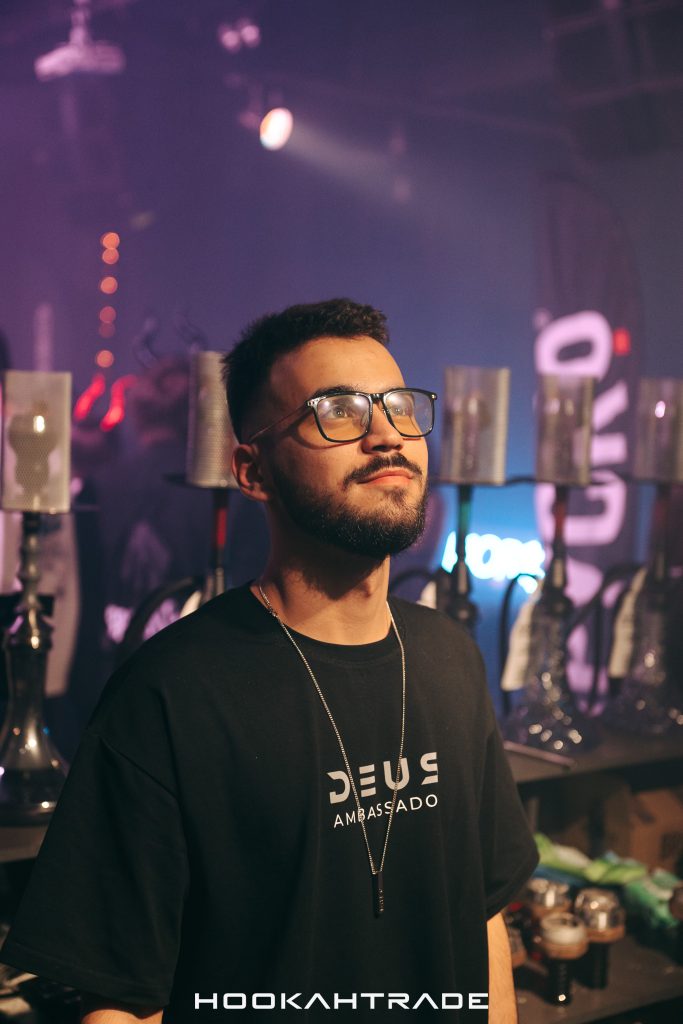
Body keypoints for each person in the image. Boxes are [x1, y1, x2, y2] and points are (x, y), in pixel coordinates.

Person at [0, 298, 538, 1022]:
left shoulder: (450, 658)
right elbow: (122, 1003)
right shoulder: (172, 692)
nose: (386, 435)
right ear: (252, 471)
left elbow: (483, 916)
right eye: (338, 412)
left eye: (399, 407)